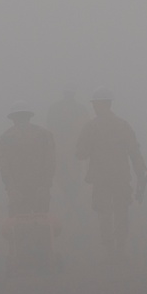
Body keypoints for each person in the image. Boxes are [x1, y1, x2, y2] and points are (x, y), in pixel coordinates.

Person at [75, 87, 147, 264]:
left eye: (94, 104)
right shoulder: (123, 125)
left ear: (98, 105)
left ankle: (109, 251)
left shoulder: (90, 127)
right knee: (121, 212)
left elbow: (80, 154)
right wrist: (140, 172)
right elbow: (134, 152)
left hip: (100, 178)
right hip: (120, 176)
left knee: (104, 213)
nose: (93, 107)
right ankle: (121, 250)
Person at [0, 101, 57, 216]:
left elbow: (3, 167)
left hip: (19, 189)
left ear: (12, 118)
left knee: (19, 224)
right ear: (29, 116)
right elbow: (50, 162)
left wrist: (11, 188)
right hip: (39, 188)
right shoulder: (44, 134)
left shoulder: (4, 138)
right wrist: (45, 185)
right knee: (42, 224)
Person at [45, 88, 90, 216]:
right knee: (70, 177)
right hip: (71, 151)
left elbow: (49, 129)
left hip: (67, 151)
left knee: (66, 177)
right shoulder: (80, 109)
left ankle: (70, 204)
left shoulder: (55, 108)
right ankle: (71, 204)